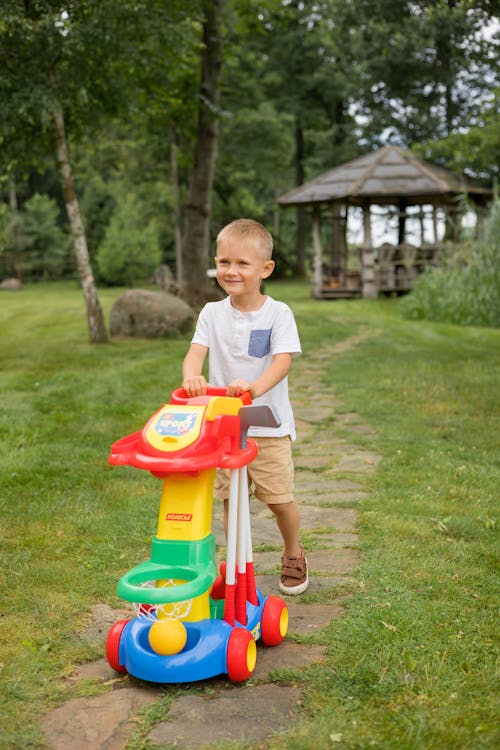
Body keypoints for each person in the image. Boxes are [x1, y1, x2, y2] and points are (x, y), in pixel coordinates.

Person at [182, 218, 308, 595]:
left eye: (242, 264)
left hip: (267, 427)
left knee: (279, 499)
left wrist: (253, 388)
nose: (230, 271)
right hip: (224, 428)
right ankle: (237, 563)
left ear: (265, 269)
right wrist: (192, 378)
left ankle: (293, 551)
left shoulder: (278, 314)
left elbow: (282, 362)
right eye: (223, 262)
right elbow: (194, 355)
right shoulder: (211, 312)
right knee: (229, 499)